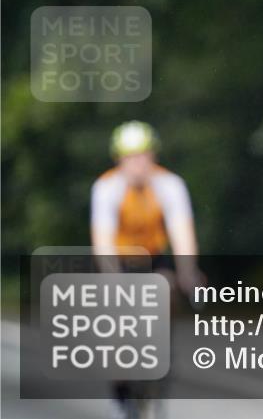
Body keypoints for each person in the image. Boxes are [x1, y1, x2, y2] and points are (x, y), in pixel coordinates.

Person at [91, 121, 203, 417]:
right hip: (120, 260)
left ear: (153, 157)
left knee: (166, 288)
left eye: (144, 156)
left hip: (154, 257)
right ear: (119, 160)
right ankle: (121, 388)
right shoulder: (106, 188)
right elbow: (103, 243)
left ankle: (160, 350)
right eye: (130, 157)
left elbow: (182, 235)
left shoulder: (170, 184)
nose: (138, 164)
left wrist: (188, 272)